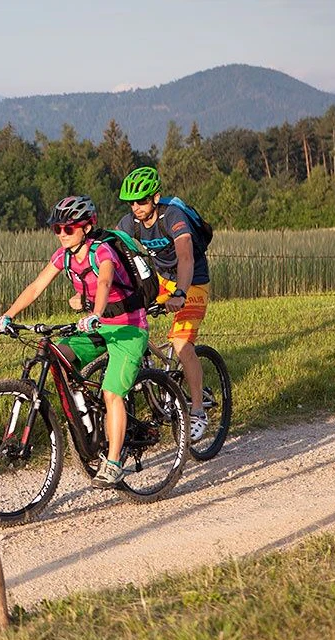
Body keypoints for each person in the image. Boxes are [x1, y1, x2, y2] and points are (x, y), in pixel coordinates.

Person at [0, 196, 149, 488]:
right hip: (96, 327)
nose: (63, 234)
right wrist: (9, 315)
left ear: (87, 227)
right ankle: (87, 416)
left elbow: (104, 282)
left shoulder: (102, 252)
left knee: (112, 393)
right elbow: (37, 286)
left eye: (69, 228)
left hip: (127, 327)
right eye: (58, 229)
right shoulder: (63, 256)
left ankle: (113, 463)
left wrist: (96, 313)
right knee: (58, 354)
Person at [115, 166, 211, 442]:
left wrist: (180, 293)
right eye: (132, 202)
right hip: (162, 281)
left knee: (182, 344)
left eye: (142, 201)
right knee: (128, 322)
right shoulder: (129, 223)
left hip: (192, 281)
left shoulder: (173, 216)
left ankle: (197, 411)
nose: (136, 207)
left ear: (155, 198)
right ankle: (159, 388)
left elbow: (185, 257)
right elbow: (110, 250)